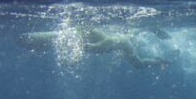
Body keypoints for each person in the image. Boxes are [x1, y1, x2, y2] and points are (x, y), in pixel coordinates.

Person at [20, 26, 169, 68]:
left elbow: (93, 47)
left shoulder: (120, 41)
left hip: (120, 42)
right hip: (114, 41)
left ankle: (158, 60)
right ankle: (158, 60)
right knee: (138, 63)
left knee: (138, 63)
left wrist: (75, 58)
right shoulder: (92, 34)